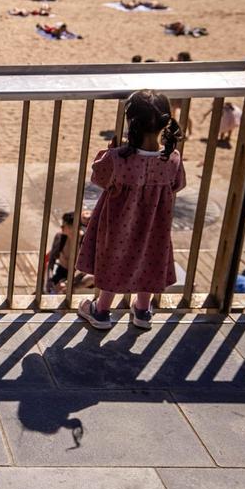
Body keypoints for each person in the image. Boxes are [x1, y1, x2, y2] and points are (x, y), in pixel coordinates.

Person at [76, 90, 186, 330]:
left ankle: (102, 311)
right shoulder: (173, 158)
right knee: (150, 257)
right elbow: (178, 184)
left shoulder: (118, 158)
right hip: (155, 226)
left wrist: (109, 151)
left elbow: (99, 177)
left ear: (131, 122)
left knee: (115, 259)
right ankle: (142, 311)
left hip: (118, 224)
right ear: (164, 122)